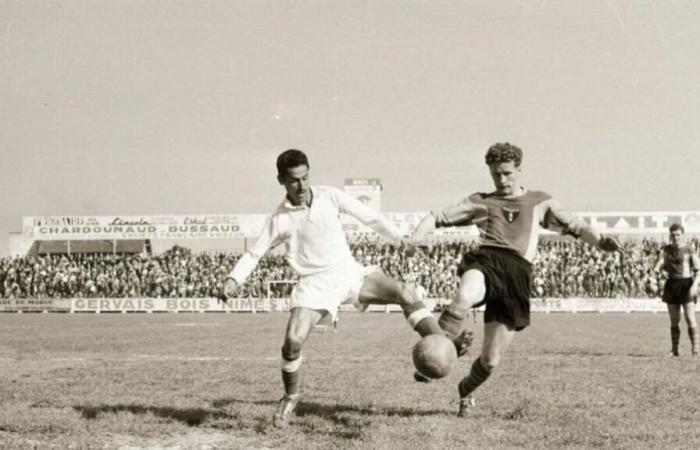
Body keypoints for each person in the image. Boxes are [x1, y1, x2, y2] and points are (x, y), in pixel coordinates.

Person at [221, 149, 454, 428]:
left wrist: (399, 239)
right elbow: (254, 253)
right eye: (294, 180)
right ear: (281, 180)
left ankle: (445, 347)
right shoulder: (279, 219)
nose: (302, 185)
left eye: (305, 177)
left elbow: (369, 216)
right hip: (313, 284)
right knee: (293, 341)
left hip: (348, 273)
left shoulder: (329, 196)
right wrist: (234, 278)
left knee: (405, 291)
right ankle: (290, 397)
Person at [410, 142, 623, 416]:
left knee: (490, 361)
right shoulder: (481, 201)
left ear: (519, 170)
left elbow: (576, 225)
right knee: (464, 296)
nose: (502, 180)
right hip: (486, 260)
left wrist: (600, 241)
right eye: (496, 174)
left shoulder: (540, 201)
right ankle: (435, 358)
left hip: (517, 275)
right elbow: (436, 217)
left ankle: (465, 391)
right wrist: (416, 238)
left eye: (507, 173)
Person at [653, 223, 700, 356]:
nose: (675, 237)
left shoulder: (689, 249)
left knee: (690, 318)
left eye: (678, 235)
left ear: (682, 235)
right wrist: (661, 273)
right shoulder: (666, 250)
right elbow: (658, 267)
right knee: (674, 320)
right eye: (673, 235)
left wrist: (695, 285)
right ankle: (675, 350)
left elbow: (698, 270)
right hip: (671, 285)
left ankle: (695, 350)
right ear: (670, 235)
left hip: (686, 285)